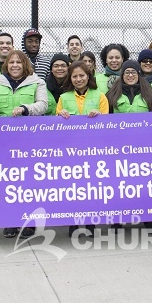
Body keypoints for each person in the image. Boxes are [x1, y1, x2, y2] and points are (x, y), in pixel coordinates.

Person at [0, 50, 48, 240]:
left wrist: (26, 109)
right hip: (3, 141)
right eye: (11, 62)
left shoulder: (37, 82)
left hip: (30, 141)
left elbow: (43, 104)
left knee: (29, 183)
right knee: (8, 183)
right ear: (6, 64)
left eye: (19, 62)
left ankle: (29, 223)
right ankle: (10, 220)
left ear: (25, 64)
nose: (15, 65)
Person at [56, 61, 108, 237]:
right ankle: (73, 223)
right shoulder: (63, 98)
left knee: (91, 188)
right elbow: (55, 124)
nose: (78, 79)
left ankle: (90, 224)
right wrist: (60, 116)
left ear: (88, 76)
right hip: (70, 152)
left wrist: (100, 117)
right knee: (73, 188)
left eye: (82, 75)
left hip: (93, 151)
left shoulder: (100, 96)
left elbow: (107, 123)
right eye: (75, 76)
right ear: (70, 78)